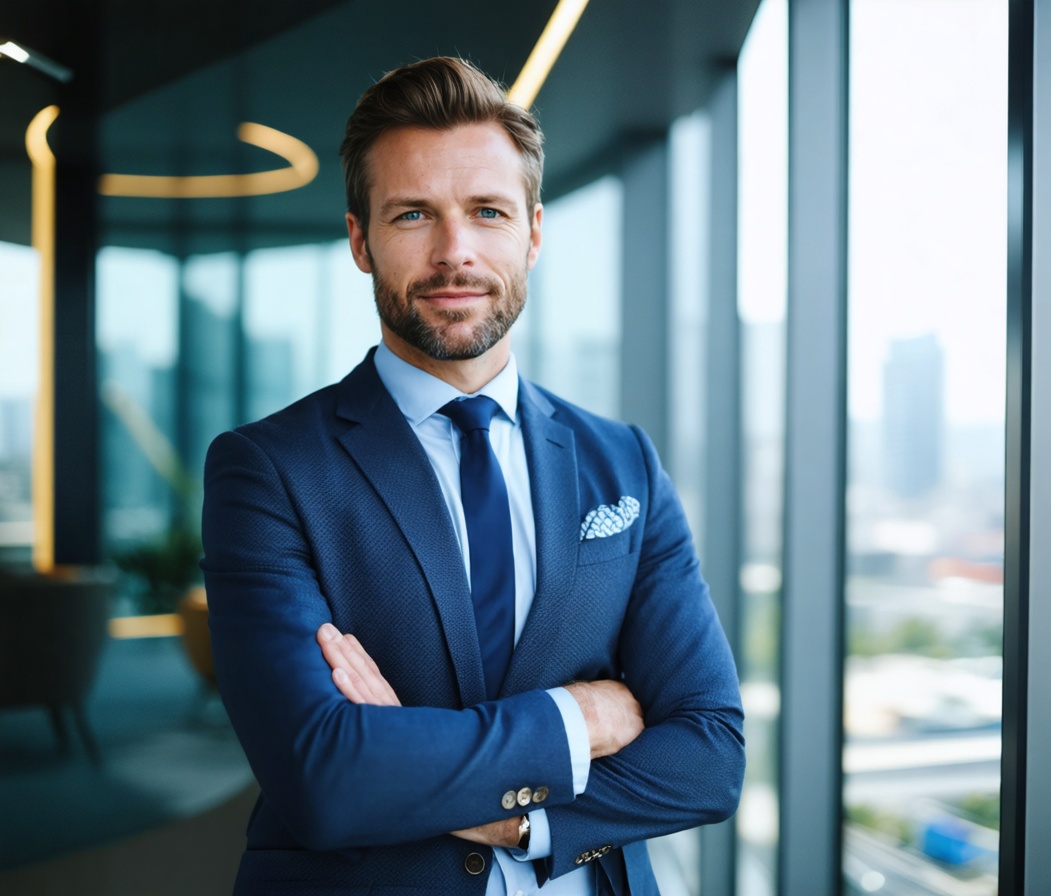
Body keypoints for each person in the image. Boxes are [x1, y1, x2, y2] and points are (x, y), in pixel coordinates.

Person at [201, 56, 744, 896]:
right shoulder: (269, 471)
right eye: (413, 214)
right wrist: (579, 719)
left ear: (533, 233)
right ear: (360, 240)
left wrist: (507, 818)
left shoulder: (622, 462)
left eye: (487, 212)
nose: (454, 252)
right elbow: (325, 777)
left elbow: (710, 756)